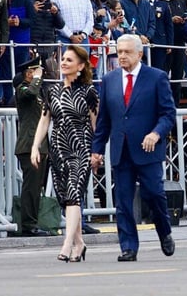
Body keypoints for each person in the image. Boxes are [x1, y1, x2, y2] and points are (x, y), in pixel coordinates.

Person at [91, 34, 176, 262]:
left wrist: (156, 133)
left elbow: (168, 114)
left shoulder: (156, 77)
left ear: (140, 54)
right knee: (123, 201)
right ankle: (128, 246)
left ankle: (164, 231)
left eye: (127, 52)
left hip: (148, 149)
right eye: (119, 52)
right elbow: (104, 121)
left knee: (154, 195)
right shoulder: (109, 80)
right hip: (121, 150)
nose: (122, 56)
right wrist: (97, 150)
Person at [31, 45, 97, 261]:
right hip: (58, 149)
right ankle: (79, 243)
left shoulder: (89, 92)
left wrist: (97, 152)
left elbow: (97, 124)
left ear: (80, 66)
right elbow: (44, 120)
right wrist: (35, 146)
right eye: (64, 59)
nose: (64, 63)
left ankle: (67, 244)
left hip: (81, 149)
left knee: (74, 194)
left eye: (70, 60)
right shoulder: (52, 90)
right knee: (66, 199)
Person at [14, 56, 50, 237]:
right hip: (29, 146)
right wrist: (36, 79)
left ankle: (33, 221)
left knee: (37, 187)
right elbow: (30, 94)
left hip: (41, 146)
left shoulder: (38, 91)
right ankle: (28, 224)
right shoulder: (22, 89)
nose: (38, 75)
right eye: (33, 72)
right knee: (31, 187)